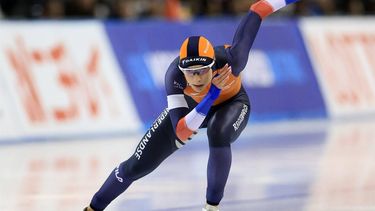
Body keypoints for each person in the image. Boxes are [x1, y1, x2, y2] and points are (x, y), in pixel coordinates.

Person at [84, 0, 298, 210]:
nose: (197, 78)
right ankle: (93, 207)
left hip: (232, 104)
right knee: (136, 165)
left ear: (213, 65)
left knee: (218, 132)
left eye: (203, 70)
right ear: (182, 70)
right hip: (191, 110)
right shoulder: (173, 76)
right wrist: (212, 93)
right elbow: (182, 130)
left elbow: (258, 9)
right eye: (191, 72)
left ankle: (212, 207)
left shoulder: (232, 61)